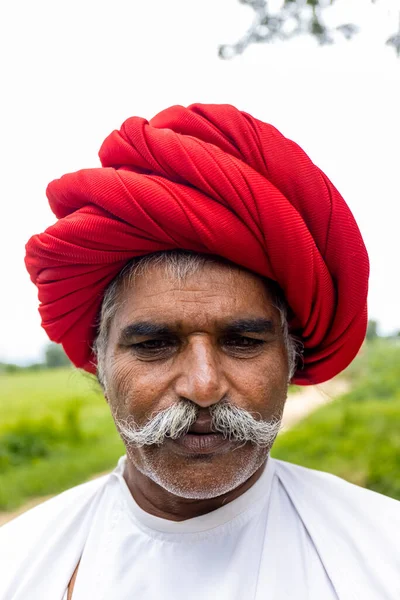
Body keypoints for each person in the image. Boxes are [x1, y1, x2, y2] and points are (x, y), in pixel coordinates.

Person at [1, 104, 398, 600]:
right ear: (99, 367)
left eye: (243, 342)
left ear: (291, 357)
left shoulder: (383, 555)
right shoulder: (19, 565)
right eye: (154, 345)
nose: (204, 386)